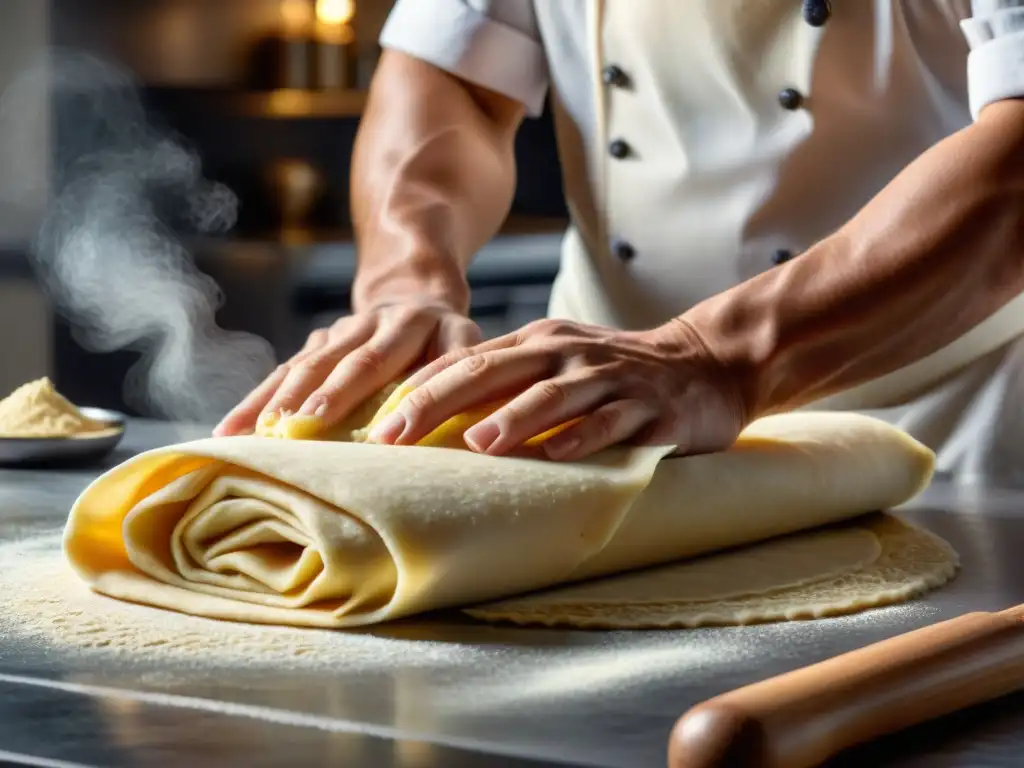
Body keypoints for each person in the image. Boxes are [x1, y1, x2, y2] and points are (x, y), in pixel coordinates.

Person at [217, 0, 1024, 482]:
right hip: (600, 422)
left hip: (943, 426)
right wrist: (408, 284)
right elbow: (452, 76)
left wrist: (718, 356)